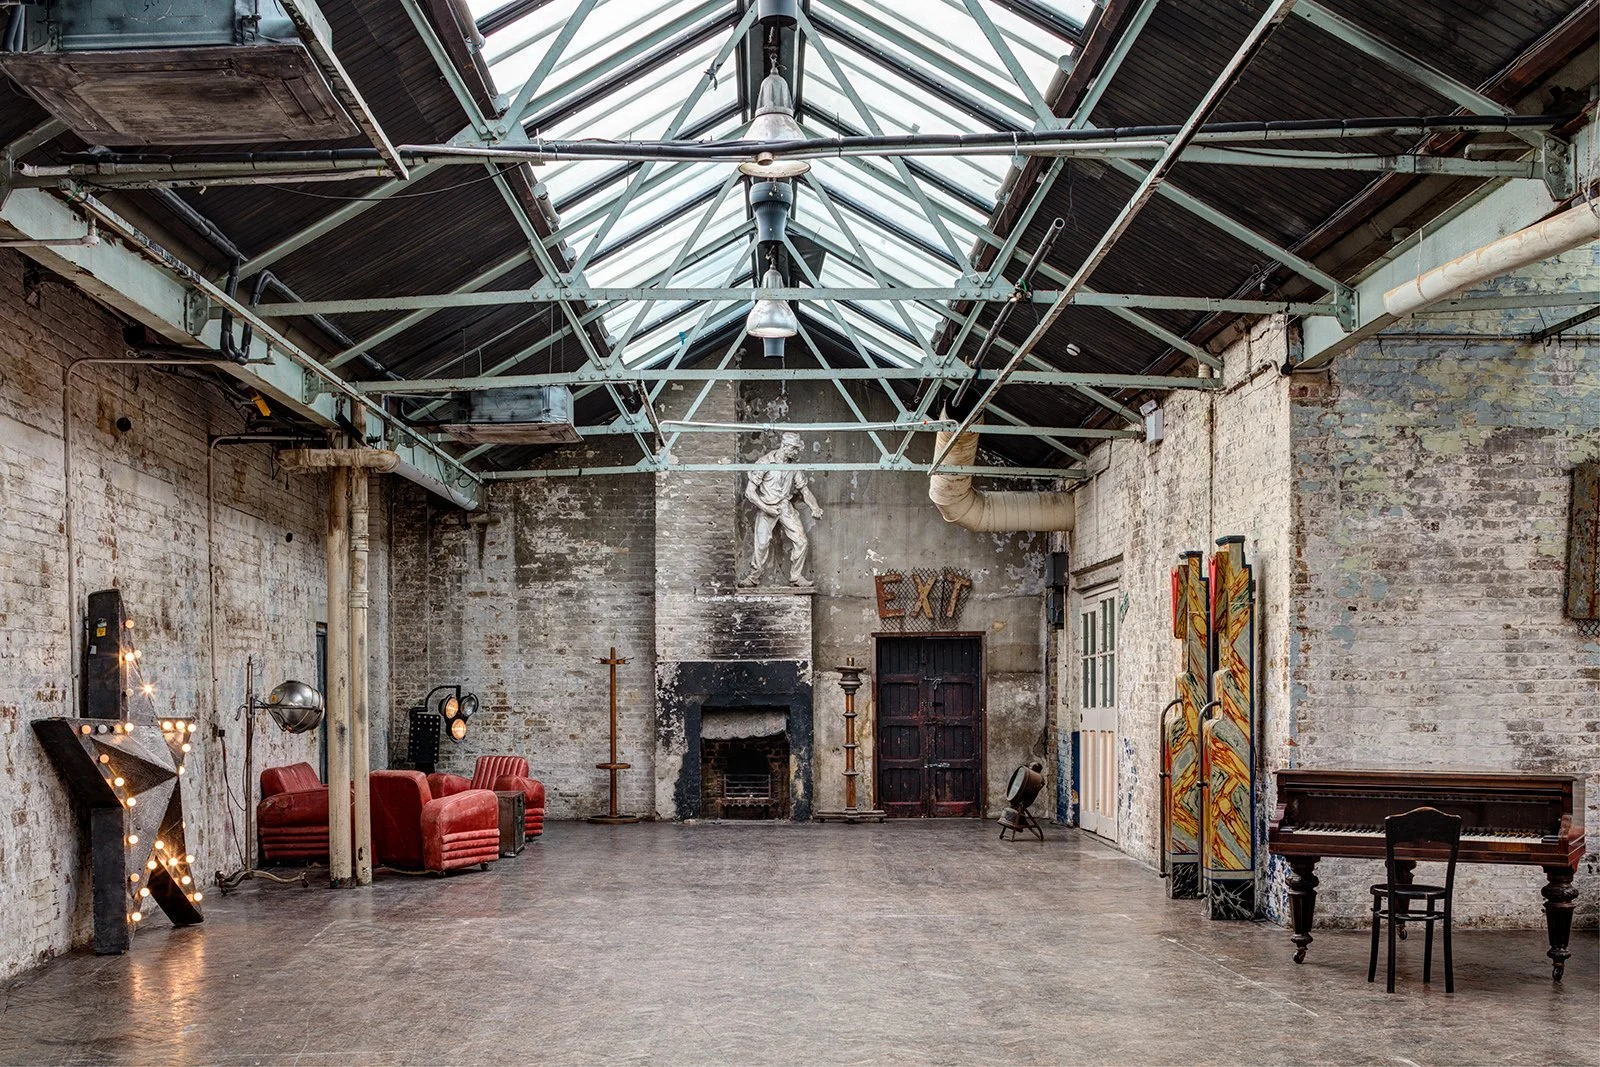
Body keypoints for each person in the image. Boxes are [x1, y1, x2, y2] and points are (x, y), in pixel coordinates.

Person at [741, 432, 823, 587]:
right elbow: (749, 492)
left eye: (797, 449)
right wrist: (766, 508)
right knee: (761, 544)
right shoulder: (764, 462)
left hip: (785, 506)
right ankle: (753, 577)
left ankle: (796, 577)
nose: (796, 452)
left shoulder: (793, 467)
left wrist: (815, 507)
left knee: (802, 541)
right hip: (766, 506)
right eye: (794, 448)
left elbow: (805, 490)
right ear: (784, 446)